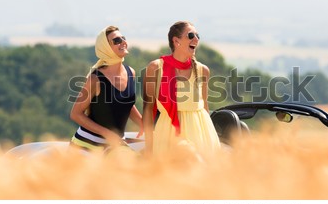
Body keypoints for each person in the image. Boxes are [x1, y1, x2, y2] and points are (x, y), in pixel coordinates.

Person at [142, 21, 221, 157]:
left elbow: (205, 107)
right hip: (167, 136)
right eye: (191, 35)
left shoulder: (203, 70)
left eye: (197, 35)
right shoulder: (155, 68)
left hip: (200, 135)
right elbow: (148, 109)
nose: (196, 39)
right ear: (176, 41)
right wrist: (149, 147)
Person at [70, 25, 143, 153]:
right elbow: (75, 114)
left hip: (115, 145)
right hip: (87, 145)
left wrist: (143, 124)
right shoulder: (95, 79)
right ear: (106, 48)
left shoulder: (130, 72)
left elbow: (125, 103)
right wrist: (107, 134)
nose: (123, 42)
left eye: (123, 38)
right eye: (116, 41)